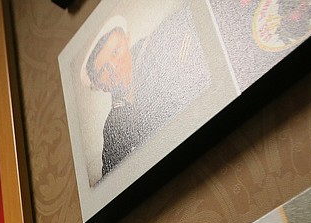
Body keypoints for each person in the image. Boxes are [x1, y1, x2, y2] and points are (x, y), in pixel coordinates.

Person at [82, 8, 213, 179]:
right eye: (103, 71)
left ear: (126, 39)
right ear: (100, 85)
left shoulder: (163, 42)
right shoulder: (112, 128)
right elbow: (113, 183)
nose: (114, 68)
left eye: (115, 52)